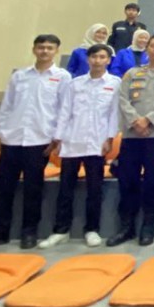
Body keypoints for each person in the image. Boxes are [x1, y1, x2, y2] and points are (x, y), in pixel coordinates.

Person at [0, 35, 69, 252]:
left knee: (33, 189)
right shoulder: (20, 76)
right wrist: (2, 132)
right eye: (41, 47)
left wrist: (56, 137)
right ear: (34, 49)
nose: (45, 51)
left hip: (40, 140)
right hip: (13, 138)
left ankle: (29, 232)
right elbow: (7, 105)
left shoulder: (62, 78)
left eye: (49, 48)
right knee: (3, 188)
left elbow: (64, 110)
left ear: (56, 51)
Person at [39, 44, 120, 249]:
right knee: (65, 189)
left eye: (102, 57)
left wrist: (110, 138)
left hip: (97, 143)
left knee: (94, 189)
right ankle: (61, 230)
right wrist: (58, 138)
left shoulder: (115, 83)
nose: (97, 61)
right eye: (94, 57)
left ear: (108, 60)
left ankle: (92, 229)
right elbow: (65, 112)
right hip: (72, 142)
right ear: (88, 59)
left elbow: (114, 114)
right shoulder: (75, 84)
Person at [107, 35, 154, 247]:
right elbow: (123, 99)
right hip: (131, 135)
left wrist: (148, 120)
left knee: (152, 182)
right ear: (147, 49)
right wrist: (135, 121)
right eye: (153, 45)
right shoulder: (132, 73)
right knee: (127, 181)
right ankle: (126, 227)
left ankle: (148, 226)